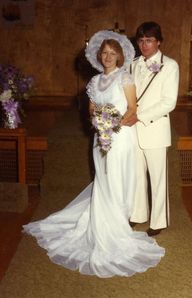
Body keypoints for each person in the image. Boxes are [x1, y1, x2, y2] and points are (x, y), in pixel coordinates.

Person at [23, 30, 165, 278]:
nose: (108, 57)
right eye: (105, 53)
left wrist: (114, 125)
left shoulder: (125, 79)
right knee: (103, 179)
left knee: (117, 179)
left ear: (119, 57)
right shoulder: (94, 82)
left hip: (120, 137)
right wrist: (99, 123)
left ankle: (117, 224)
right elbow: (91, 109)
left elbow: (132, 109)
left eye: (112, 53)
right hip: (101, 137)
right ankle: (102, 223)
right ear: (99, 56)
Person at [124, 22, 179, 236]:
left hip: (154, 129)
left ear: (159, 42)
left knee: (158, 178)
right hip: (133, 130)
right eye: (141, 40)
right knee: (136, 176)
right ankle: (138, 215)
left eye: (149, 40)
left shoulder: (170, 65)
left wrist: (140, 117)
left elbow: (168, 102)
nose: (144, 45)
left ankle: (159, 221)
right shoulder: (133, 64)